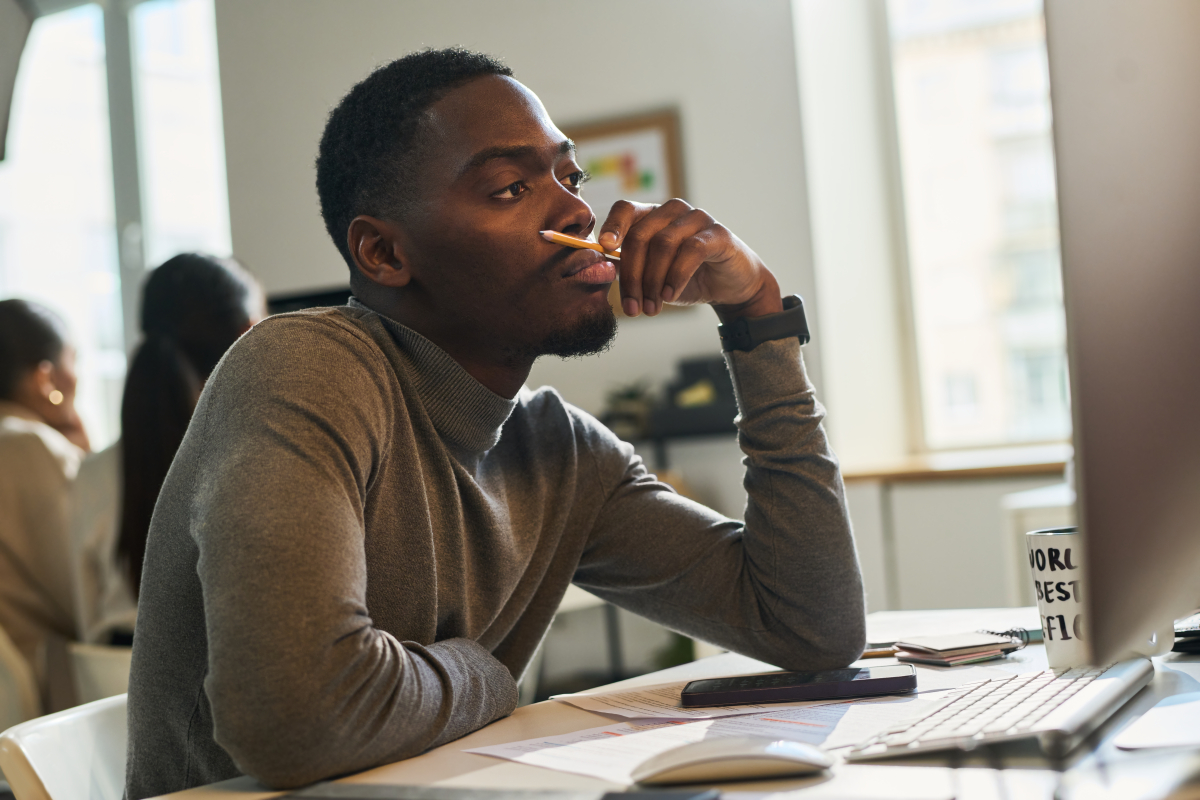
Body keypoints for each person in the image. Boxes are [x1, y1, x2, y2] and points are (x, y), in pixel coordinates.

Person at [125, 48, 866, 799]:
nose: (578, 210)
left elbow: (809, 626)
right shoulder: (303, 367)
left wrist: (757, 317)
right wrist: (485, 671)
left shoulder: (560, 452)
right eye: (511, 187)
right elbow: (296, 719)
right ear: (383, 252)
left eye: (569, 178)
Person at [72, 254, 264, 646]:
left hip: (111, 694)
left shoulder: (90, 474)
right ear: (249, 332)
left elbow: (84, 615)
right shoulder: (262, 461)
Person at [0, 299, 90, 711]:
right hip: (43, 700)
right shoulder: (29, 447)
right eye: (73, 359)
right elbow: (83, 600)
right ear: (45, 377)